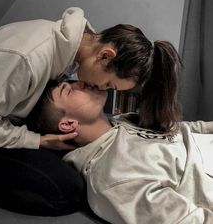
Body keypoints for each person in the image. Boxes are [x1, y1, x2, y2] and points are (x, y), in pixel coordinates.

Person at [0, 7, 181, 151]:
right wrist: (37, 141)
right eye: (109, 84)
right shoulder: (24, 59)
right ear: (104, 56)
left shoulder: (68, 55)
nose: (103, 90)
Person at [32, 80, 213, 224]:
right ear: (68, 124)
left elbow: (184, 130)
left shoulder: (122, 122)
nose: (79, 82)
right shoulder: (113, 176)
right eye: (69, 90)